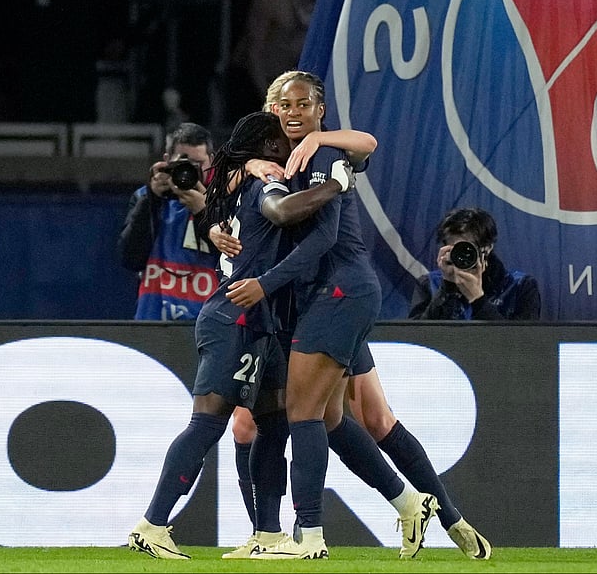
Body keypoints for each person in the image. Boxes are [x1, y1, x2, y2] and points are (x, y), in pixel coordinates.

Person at [213, 70, 492, 560]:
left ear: (320, 109)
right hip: (315, 298)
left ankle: (308, 536)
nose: (293, 113)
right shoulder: (270, 161)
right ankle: (424, 508)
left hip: (333, 293)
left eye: (304, 105)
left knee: (301, 414)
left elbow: (363, 149)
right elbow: (222, 183)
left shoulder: (322, 153)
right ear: (269, 110)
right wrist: (218, 226)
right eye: (284, 105)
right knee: (347, 417)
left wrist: (322, 140)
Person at [127, 111, 348, 560]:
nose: (291, 150)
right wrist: (336, 184)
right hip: (237, 316)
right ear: (268, 146)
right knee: (208, 422)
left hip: (255, 320)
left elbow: (218, 213)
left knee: (274, 420)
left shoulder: (232, 185)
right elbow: (281, 210)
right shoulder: (264, 180)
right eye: (282, 142)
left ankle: (267, 534)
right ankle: (152, 525)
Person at [118, 122, 217, 322]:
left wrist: (204, 211)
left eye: (197, 163)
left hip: (206, 325)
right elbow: (129, 258)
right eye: (182, 162)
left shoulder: (224, 200)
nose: (189, 170)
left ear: (212, 161)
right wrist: (152, 200)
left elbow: (236, 258)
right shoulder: (145, 197)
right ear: (167, 160)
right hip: (153, 322)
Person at [408, 207, 541, 320]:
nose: (462, 256)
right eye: (455, 249)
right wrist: (446, 289)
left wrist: (478, 299)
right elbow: (417, 341)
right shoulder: (429, 284)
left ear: (488, 247)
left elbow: (522, 345)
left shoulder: (520, 286)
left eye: (467, 249)